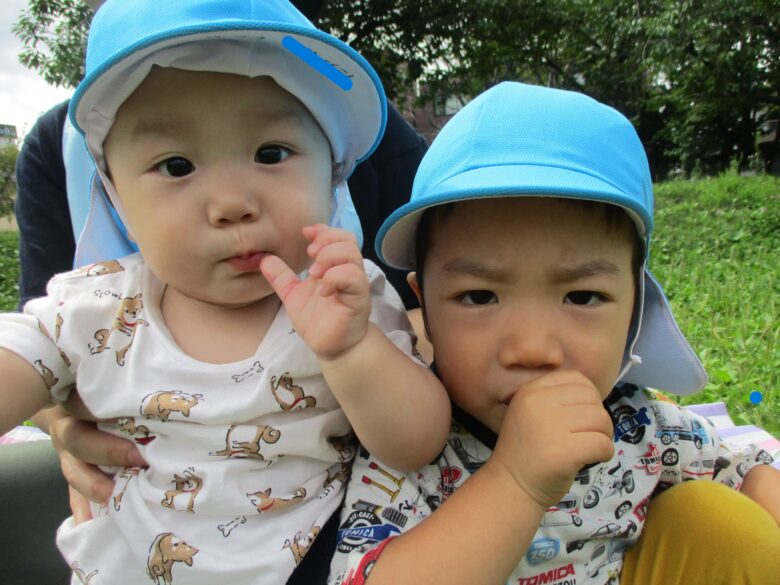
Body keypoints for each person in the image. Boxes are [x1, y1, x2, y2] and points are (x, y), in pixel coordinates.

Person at [0, 0, 451, 583]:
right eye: (177, 165)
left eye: (271, 154)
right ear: (115, 196)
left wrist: (351, 350)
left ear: (333, 175)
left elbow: (416, 444)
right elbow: (17, 360)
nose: (232, 202)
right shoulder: (91, 307)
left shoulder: (344, 300)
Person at [327, 82, 780, 585]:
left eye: (582, 297)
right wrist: (516, 480)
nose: (533, 348)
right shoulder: (415, 444)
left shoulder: (637, 424)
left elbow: (743, 467)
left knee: (721, 523)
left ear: (635, 310)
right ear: (425, 306)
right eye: (479, 296)